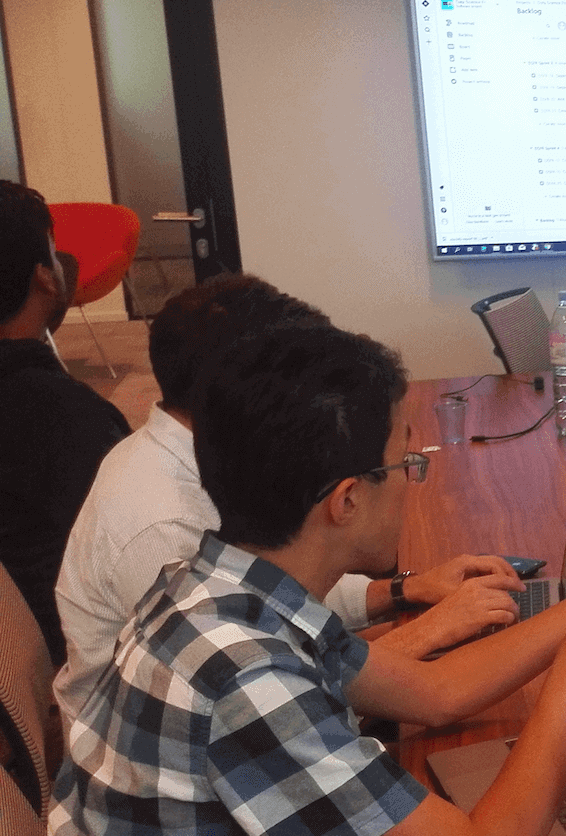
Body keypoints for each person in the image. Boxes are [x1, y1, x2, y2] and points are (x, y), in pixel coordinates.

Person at [41, 321, 566, 836]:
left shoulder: (224, 589)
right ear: (347, 500)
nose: (412, 480)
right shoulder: (244, 675)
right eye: (405, 465)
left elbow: (437, 692)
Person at [53, 274, 523, 724]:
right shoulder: (163, 522)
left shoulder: (215, 465)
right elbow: (259, 683)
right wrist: (426, 630)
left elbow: (286, 593)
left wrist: (405, 591)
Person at [0, 180, 129, 665]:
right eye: (55, 255)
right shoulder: (69, 418)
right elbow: (141, 557)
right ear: (45, 278)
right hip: (75, 657)